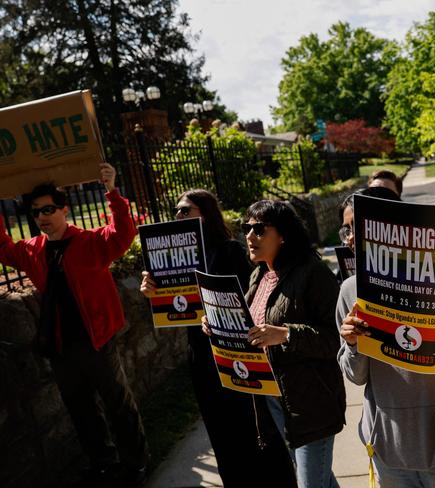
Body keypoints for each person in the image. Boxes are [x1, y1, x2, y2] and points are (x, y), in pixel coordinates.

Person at [0, 164, 148, 486]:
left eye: (49, 209)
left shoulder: (91, 242)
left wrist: (112, 191)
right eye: (36, 212)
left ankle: (135, 463)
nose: (42, 217)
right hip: (60, 346)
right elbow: (3, 249)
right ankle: (103, 463)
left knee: (117, 404)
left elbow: (123, 232)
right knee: (81, 410)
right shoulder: (32, 250)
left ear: (64, 209)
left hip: (97, 340)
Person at [140, 189, 296, 487]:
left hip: (236, 354)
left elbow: (251, 302)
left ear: (206, 213)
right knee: (221, 432)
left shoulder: (229, 251)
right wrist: (155, 292)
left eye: (186, 210)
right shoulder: (173, 257)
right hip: (202, 354)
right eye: (177, 210)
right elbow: (177, 311)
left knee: (253, 430)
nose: (178, 215)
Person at [336, 189, 435, 487]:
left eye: (358, 227)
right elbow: (355, 376)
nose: (351, 237)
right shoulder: (350, 291)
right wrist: (353, 345)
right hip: (389, 451)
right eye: (347, 229)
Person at [202, 200, 345, 488]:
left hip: (311, 402)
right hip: (274, 399)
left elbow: (335, 339)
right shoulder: (259, 274)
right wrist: (218, 326)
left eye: (258, 229)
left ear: (283, 235)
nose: (249, 236)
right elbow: (251, 329)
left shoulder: (313, 273)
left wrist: (286, 334)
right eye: (246, 228)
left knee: (310, 483)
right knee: (319, 478)